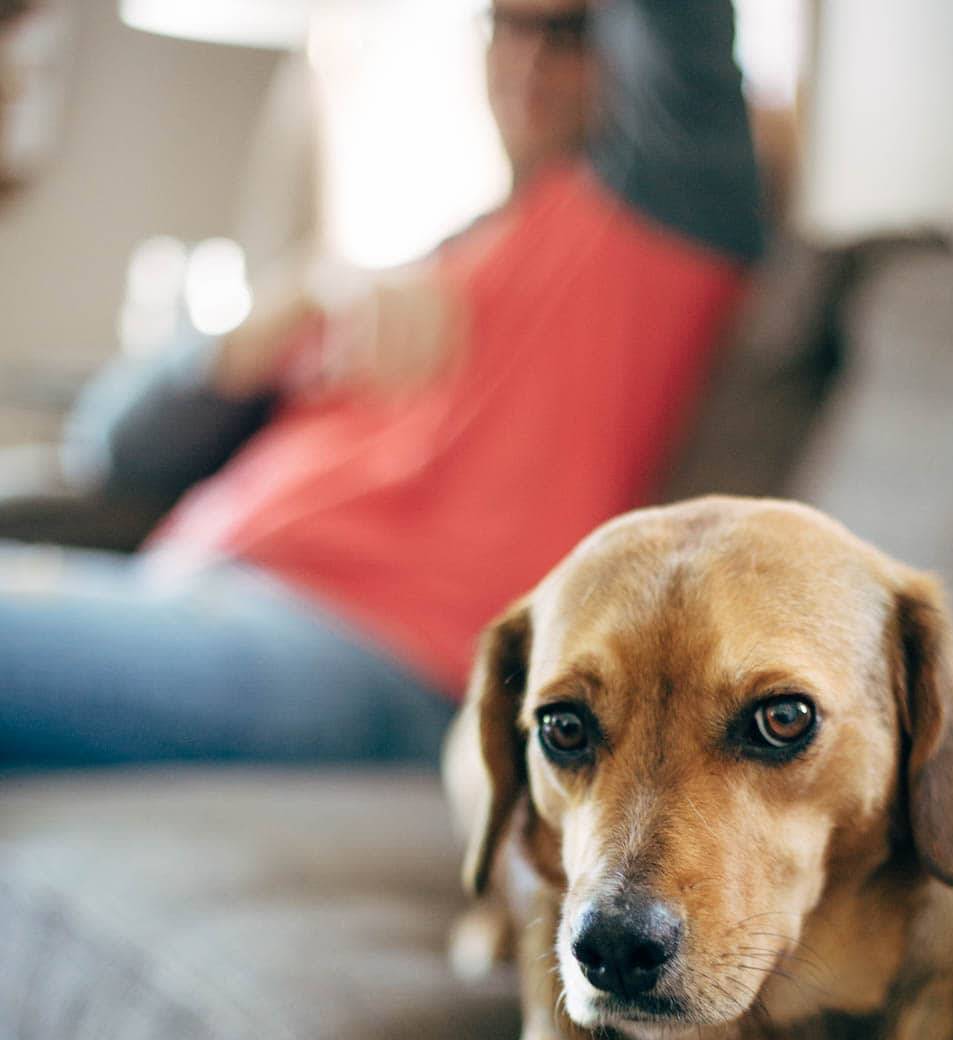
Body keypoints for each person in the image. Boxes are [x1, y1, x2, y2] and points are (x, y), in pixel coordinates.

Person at [0, 0, 763, 771]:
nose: (528, 64)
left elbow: (685, 32)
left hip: (370, 644)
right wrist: (297, 294)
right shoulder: (425, 268)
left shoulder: (660, 217)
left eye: (570, 37)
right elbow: (113, 448)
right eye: (510, 26)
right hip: (179, 588)